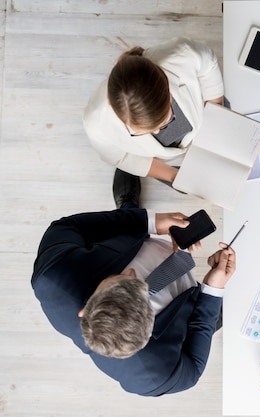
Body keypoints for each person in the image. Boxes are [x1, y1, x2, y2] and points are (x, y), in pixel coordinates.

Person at [30, 176, 236, 396]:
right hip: (182, 310)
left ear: (85, 310)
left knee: (125, 220)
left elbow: (69, 226)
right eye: (138, 284)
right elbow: (193, 365)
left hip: (128, 244)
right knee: (212, 318)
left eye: (123, 278)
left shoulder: (53, 272)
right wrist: (213, 291)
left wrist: (149, 222)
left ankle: (128, 208)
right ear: (149, 334)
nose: (132, 272)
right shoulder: (155, 376)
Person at [83, 37, 224, 185]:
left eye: (164, 122)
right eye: (141, 131)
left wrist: (216, 110)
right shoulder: (96, 124)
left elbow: (208, 65)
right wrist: (174, 176)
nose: (157, 132)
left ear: (168, 91)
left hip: (205, 120)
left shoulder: (182, 54)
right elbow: (121, 157)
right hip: (167, 162)